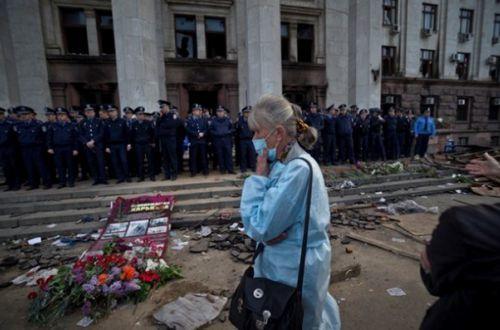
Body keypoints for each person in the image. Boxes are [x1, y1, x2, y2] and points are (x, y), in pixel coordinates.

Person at [240, 95, 340, 329]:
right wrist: (266, 231)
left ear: (277, 133)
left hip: (292, 268)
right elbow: (265, 226)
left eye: (257, 132)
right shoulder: (284, 164)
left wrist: (258, 177)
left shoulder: (298, 170)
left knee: (297, 321)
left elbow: (259, 225)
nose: (254, 139)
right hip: (285, 264)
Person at [13, 106, 51, 190]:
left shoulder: (38, 124)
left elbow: (44, 137)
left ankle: (46, 183)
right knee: (29, 167)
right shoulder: (18, 125)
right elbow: (16, 137)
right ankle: (33, 184)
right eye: (22, 114)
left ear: (31, 114)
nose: (24, 116)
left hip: (37, 148)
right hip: (25, 149)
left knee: (41, 166)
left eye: (26, 114)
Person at [47, 107, 79, 188]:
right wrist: (49, 147)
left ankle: (71, 181)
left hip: (68, 147)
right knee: (60, 166)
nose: (60, 117)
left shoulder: (71, 126)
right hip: (57, 148)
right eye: (59, 115)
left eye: (62, 115)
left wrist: (75, 149)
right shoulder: (52, 126)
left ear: (66, 116)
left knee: (70, 165)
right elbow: (49, 138)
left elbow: (75, 138)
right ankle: (62, 182)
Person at [79, 104, 107, 185]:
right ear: (85, 113)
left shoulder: (99, 121)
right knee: (91, 162)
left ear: (94, 112)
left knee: (100, 162)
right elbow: (80, 134)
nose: (89, 113)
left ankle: (103, 178)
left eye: (91, 111)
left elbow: (101, 133)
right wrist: (86, 142)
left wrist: (94, 141)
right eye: (87, 112)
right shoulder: (82, 122)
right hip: (87, 146)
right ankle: (96, 179)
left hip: (98, 145)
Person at [104, 105, 131, 183]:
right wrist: (107, 146)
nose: (111, 113)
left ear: (116, 112)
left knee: (124, 160)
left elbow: (127, 133)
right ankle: (120, 177)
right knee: (115, 162)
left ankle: (127, 176)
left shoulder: (122, 121)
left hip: (121, 144)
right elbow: (105, 135)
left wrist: (128, 143)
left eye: (112, 111)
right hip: (112, 145)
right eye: (109, 112)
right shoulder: (107, 122)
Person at [156, 100, 181, 180]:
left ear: (167, 107)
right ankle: (167, 175)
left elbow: (172, 125)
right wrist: (161, 122)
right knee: (165, 158)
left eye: (162, 107)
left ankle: (174, 174)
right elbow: (157, 128)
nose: (161, 109)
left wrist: (163, 128)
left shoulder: (173, 115)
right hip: (163, 140)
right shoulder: (161, 117)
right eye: (161, 108)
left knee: (172, 157)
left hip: (171, 139)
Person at [131, 107, 156, 182]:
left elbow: (152, 133)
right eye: (139, 114)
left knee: (150, 160)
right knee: (139, 161)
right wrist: (133, 144)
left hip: (147, 144)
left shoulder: (148, 123)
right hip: (138, 145)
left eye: (142, 114)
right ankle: (141, 177)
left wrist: (153, 142)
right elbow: (132, 135)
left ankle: (152, 176)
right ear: (136, 115)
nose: (141, 116)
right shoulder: (134, 124)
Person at [210, 105, 235, 174]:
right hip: (218, 141)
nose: (220, 113)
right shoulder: (213, 121)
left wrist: (228, 132)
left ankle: (230, 169)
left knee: (229, 155)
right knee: (220, 156)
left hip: (227, 140)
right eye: (219, 112)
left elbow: (232, 129)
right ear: (217, 113)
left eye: (221, 112)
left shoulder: (228, 120)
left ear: (224, 112)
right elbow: (211, 130)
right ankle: (222, 170)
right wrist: (216, 133)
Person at [185, 103, 209, 177]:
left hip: (202, 141)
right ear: (193, 111)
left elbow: (207, 129)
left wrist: (203, 133)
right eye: (196, 110)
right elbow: (188, 130)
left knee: (203, 156)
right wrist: (196, 134)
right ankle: (193, 171)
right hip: (194, 141)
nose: (197, 112)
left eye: (199, 110)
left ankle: (205, 170)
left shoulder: (204, 120)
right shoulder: (189, 120)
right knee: (193, 157)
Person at [0, 107, 20, 191]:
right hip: (1, 150)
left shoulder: (10, 124)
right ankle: (10, 184)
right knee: (5, 168)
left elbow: (16, 138)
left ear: (2, 115)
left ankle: (16, 184)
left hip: (10, 148)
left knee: (14, 166)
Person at [235, 106, 256, 173]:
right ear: (243, 113)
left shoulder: (252, 121)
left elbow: (254, 130)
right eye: (246, 112)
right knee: (243, 155)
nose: (248, 114)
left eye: (249, 112)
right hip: (242, 140)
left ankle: (253, 167)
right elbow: (237, 131)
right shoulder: (240, 121)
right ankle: (243, 168)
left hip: (250, 140)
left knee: (252, 154)